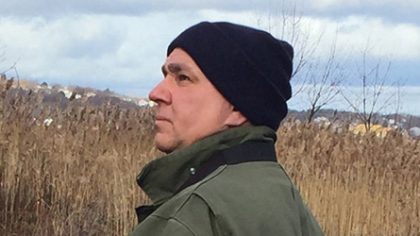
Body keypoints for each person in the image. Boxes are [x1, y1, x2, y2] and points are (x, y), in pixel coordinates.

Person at [129, 21, 324, 236]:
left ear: (237, 108)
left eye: (183, 78)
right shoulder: (288, 203)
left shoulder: (191, 217)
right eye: (165, 76)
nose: (156, 93)